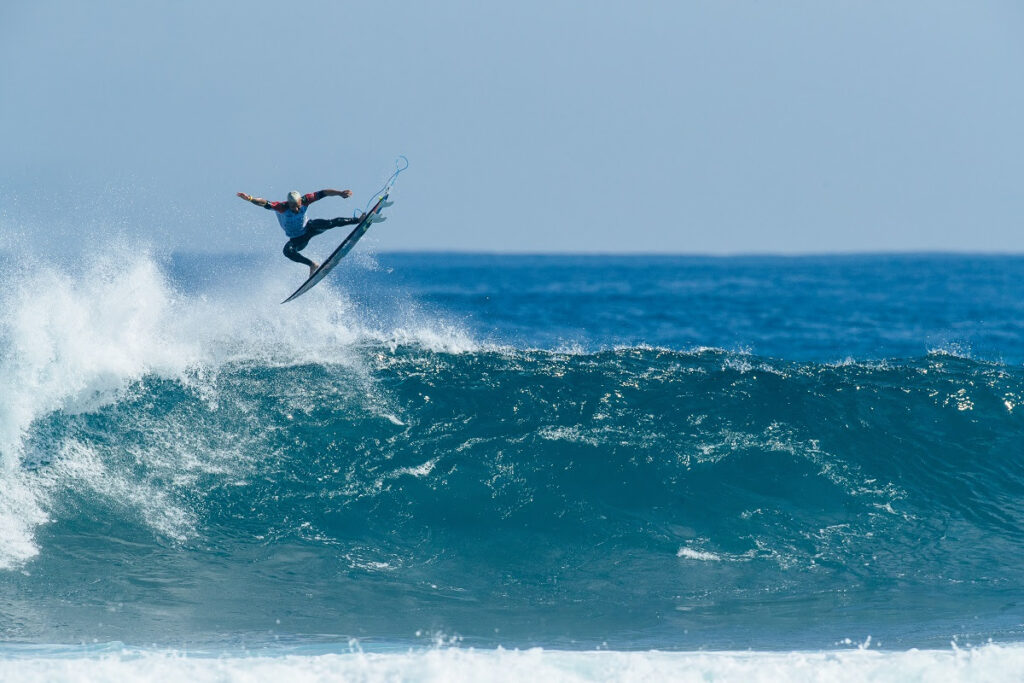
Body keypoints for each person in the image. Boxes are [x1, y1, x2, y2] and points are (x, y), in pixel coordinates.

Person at [237, 188, 364, 276]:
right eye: (293, 206)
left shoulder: (305, 200)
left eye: (298, 205)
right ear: (289, 204)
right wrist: (250, 198)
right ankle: (312, 265)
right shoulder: (281, 207)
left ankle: (358, 220)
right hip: (297, 240)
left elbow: (323, 193)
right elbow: (264, 202)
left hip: (309, 228)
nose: (297, 209)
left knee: (329, 223)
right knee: (287, 251)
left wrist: (340, 193)